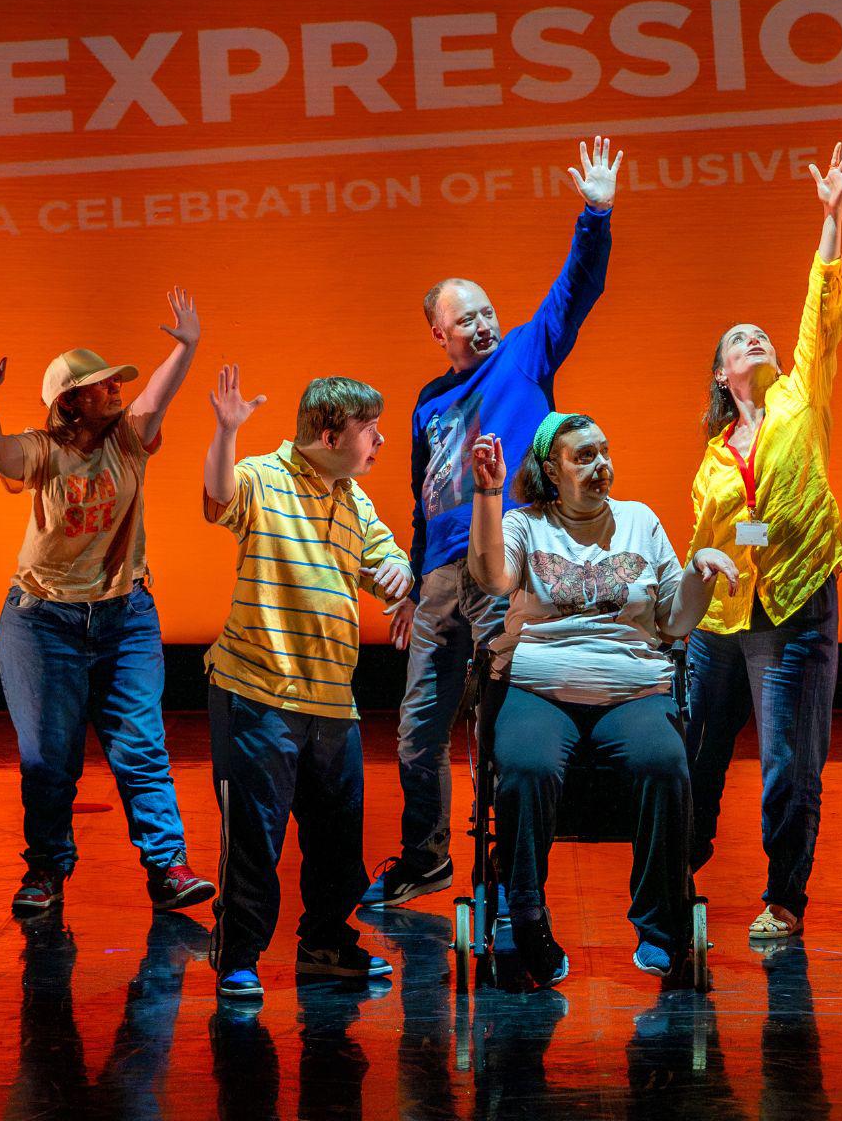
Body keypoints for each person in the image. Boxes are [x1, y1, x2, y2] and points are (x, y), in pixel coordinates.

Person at [366, 137, 624, 909]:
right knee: (417, 731)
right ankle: (426, 857)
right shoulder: (425, 402)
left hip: (505, 565)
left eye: (487, 313)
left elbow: (577, 288)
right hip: (439, 581)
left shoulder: (523, 354)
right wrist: (412, 586)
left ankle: (512, 875)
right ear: (437, 334)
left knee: (504, 728)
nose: (482, 325)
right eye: (465, 319)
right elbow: (421, 498)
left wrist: (596, 214)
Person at [0, 289, 215, 916]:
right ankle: (46, 870)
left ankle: (168, 867)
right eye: (100, 384)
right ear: (68, 400)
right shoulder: (43, 450)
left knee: (142, 745)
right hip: (42, 621)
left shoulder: (129, 440)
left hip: (125, 615)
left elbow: (158, 395)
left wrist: (185, 347)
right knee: (49, 756)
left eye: (114, 382)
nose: (115, 389)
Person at [466, 414, 738, 984]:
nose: (600, 466)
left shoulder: (640, 521)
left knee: (666, 764)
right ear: (551, 470)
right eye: (584, 457)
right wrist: (488, 495)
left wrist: (697, 574)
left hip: (630, 685)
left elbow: (675, 620)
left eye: (604, 453)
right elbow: (493, 578)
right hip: (542, 685)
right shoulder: (526, 525)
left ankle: (659, 923)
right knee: (523, 768)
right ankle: (527, 915)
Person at [683, 144, 842, 941]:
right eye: (739, 339)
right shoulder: (713, 460)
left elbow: (820, 315)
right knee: (694, 759)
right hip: (723, 621)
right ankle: (675, 875)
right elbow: (712, 534)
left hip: (794, 613)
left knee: (790, 766)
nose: (757, 338)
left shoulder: (799, 398)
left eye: (763, 334)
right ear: (722, 372)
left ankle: (784, 896)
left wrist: (831, 218)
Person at [201, 367, 414, 1002]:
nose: (379, 440)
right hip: (259, 692)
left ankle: (325, 945)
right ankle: (238, 954)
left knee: (337, 843)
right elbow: (218, 495)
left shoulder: (353, 500)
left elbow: (387, 560)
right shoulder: (265, 478)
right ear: (327, 433)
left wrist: (403, 582)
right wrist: (225, 431)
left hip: (332, 700)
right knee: (255, 839)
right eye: (368, 429)